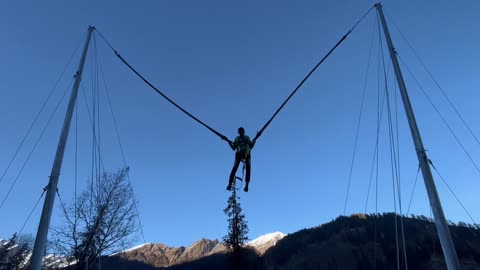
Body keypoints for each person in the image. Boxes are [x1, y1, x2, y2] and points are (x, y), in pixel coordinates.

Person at [225, 127, 255, 192]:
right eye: (240, 131)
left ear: (244, 132)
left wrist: (255, 140)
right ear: (238, 132)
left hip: (247, 155)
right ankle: (230, 184)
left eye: (242, 131)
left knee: (248, 168)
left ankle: (247, 185)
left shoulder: (247, 137)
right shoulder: (237, 139)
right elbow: (233, 148)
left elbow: (251, 147)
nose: (241, 133)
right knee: (234, 168)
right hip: (238, 154)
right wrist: (228, 141)